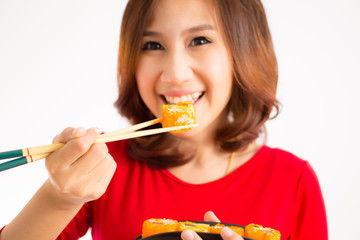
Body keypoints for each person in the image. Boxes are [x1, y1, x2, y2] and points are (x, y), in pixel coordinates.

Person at [0, 0, 328, 239]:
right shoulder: (106, 166)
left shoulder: (293, 181)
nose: (174, 74)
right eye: (153, 45)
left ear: (243, 53)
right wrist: (60, 196)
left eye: (200, 40)